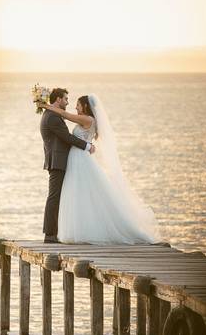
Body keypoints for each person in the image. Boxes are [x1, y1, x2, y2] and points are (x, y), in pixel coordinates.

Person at [40, 93, 161, 244]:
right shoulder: (88, 120)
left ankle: (66, 232)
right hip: (77, 158)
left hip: (80, 158)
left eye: (77, 104)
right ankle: (76, 229)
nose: (75, 106)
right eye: (70, 101)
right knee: (79, 194)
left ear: (85, 106)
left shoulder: (87, 119)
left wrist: (46, 106)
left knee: (80, 193)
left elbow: (65, 114)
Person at [40, 88, 95, 243]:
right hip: (57, 161)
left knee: (58, 197)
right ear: (58, 99)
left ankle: (54, 233)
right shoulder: (52, 117)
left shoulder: (51, 115)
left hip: (60, 160)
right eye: (65, 99)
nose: (68, 102)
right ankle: (50, 235)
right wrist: (87, 146)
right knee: (54, 197)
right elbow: (66, 137)